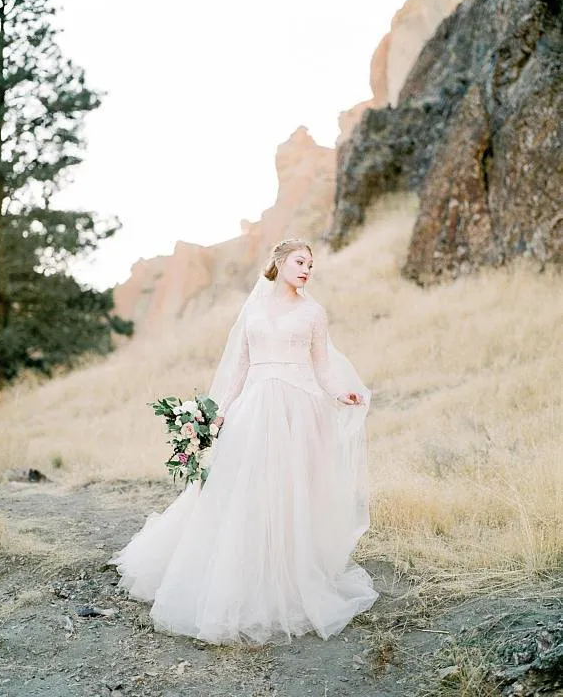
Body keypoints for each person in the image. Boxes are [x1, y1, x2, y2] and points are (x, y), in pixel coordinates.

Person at [109, 238, 378, 645]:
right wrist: (218, 410)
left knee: (288, 494)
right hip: (253, 409)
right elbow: (239, 368)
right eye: (300, 262)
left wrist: (342, 393)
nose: (307, 269)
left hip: (297, 411)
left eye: (311, 265)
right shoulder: (252, 309)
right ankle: (237, 575)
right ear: (280, 262)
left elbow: (322, 367)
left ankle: (286, 575)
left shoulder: (313, 312)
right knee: (243, 491)